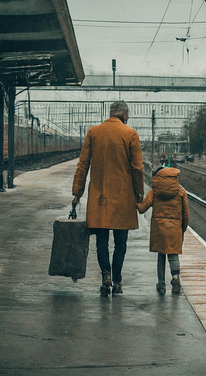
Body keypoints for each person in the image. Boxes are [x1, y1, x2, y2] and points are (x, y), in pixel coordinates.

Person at [72, 101, 144, 297]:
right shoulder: (130, 134)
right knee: (121, 243)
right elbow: (138, 168)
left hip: (99, 198)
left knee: (101, 242)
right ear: (125, 115)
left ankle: (106, 276)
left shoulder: (94, 132)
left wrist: (77, 193)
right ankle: (118, 281)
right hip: (123, 199)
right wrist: (140, 192)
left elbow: (83, 164)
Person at [136, 166, 189, 295]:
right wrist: (182, 229)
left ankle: (161, 284)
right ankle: (175, 278)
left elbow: (142, 208)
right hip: (174, 228)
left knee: (161, 255)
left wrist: (136, 202)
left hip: (159, 229)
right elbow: (186, 214)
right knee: (173, 254)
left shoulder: (155, 191)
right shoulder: (181, 191)